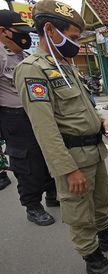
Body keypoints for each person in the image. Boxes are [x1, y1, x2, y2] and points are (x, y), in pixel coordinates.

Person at [14, 0, 108, 274]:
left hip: (94, 150)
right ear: (49, 29)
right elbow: (44, 129)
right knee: (80, 211)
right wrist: (68, 170)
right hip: (72, 157)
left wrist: (102, 119)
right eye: (72, 37)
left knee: (102, 199)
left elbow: (84, 104)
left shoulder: (65, 66)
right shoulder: (33, 70)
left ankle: (106, 236)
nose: (76, 45)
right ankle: (93, 259)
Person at [0, 10, 58, 225]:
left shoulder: (22, 55)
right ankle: (32, 206)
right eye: (18, 31)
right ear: (3, 32)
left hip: (36, 113)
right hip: (14, 118)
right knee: (27, 162)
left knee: (48, 154)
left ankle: (53, 194)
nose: (23, 36)